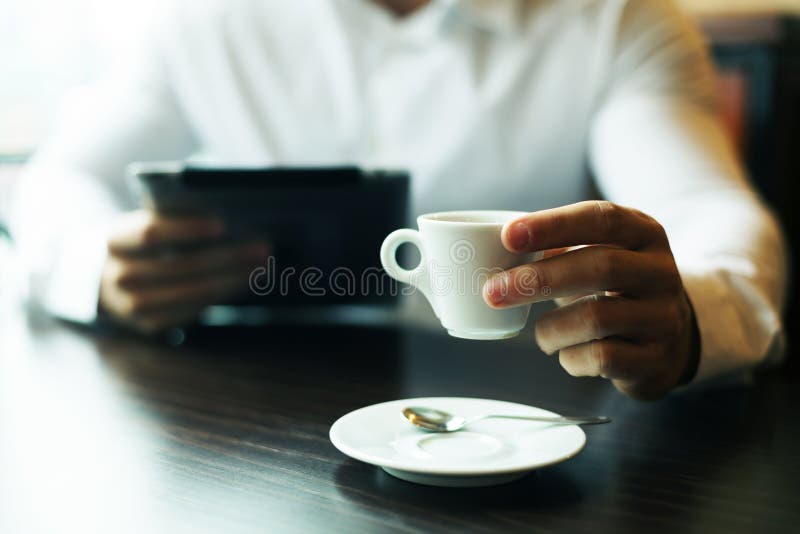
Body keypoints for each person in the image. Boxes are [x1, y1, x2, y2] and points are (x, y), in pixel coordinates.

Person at [10, 0, 787, 400]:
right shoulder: (201, 19)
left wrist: (692, 317)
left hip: (513, 416)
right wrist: (95, 266)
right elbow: (54, 179)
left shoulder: (614, 19)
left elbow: (712, 212)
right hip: (248, 412)